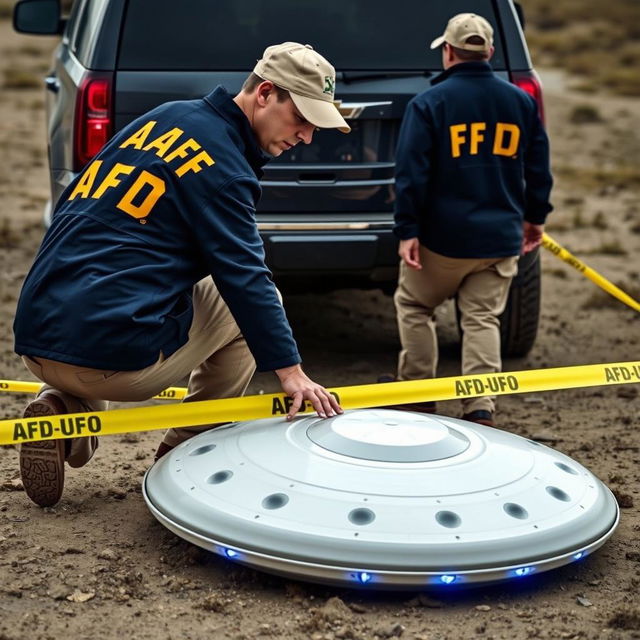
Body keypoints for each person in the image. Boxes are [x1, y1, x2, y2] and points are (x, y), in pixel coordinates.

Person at [13, 42, 349, 508]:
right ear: (266, 93)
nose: (307, 137)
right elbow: (247, 278)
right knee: (241, 305)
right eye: (303, 120)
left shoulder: (166, 116)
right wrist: (291, 373)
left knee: (137, 300)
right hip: (108, 360)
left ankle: (60, 410)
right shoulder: (226, 169)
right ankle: (185, 454)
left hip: (36, 333)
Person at [388, 13, 553, 425]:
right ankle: (480, 406)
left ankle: (418, 396)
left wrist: (407, 229)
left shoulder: (429, 103)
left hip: (441, 240)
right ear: (490, 52)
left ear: (448, 52)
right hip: (498, 238)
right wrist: (535, 218)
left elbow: (410, 174)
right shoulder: (521, 101)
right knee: (481, 318)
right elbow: (538, 168)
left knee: (414, 306)